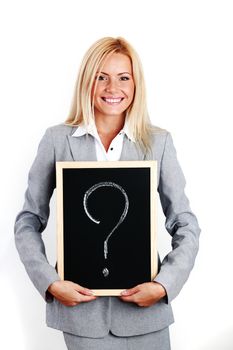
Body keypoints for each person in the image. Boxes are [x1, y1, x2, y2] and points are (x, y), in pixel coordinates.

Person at [14, 37, 201, 350]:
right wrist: (50, 282)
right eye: (101, 76)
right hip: (82, 316)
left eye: (123, 77)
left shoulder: (158, 143)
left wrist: (165, 284)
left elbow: (185, 222)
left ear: (135, 84)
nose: (112, 88)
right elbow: (28, 220)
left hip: (146, 315)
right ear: (87, 81)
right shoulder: (57, 140)